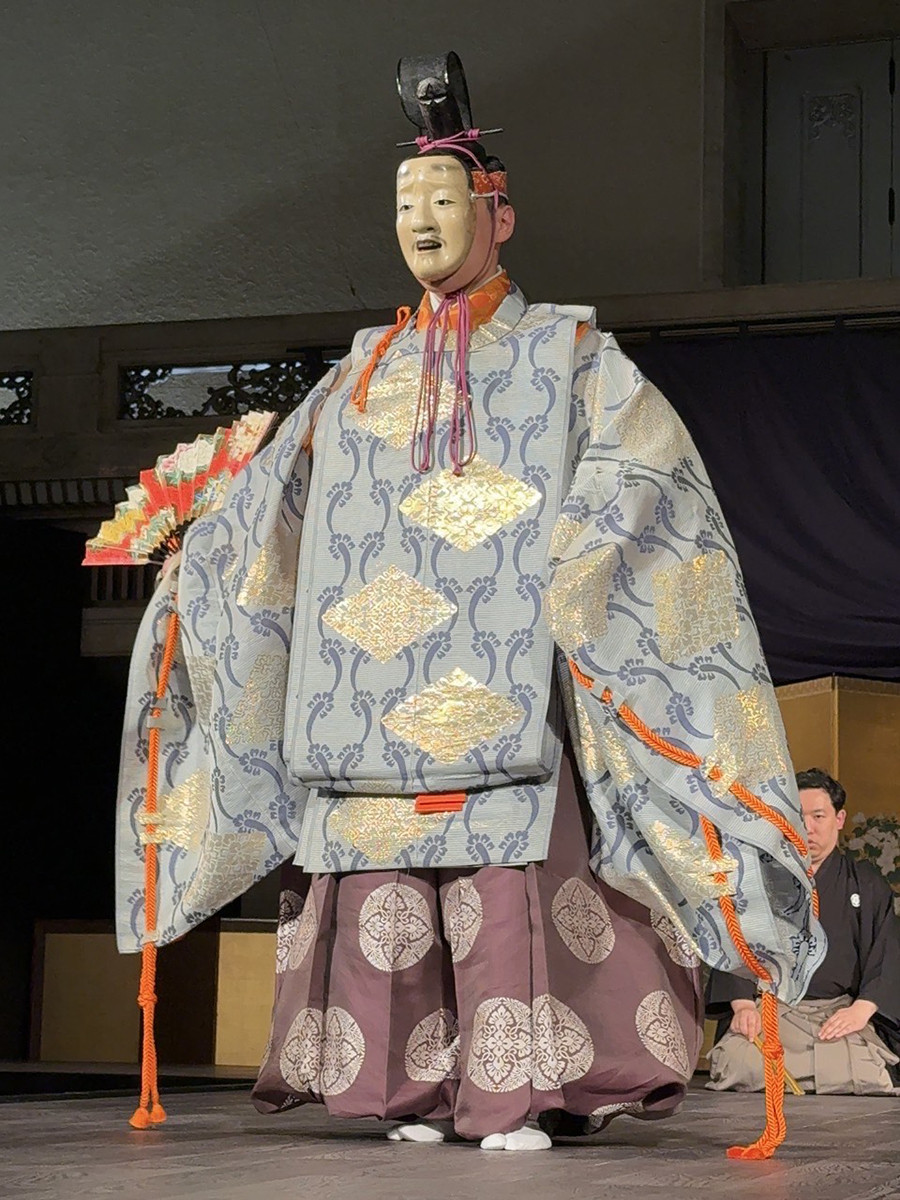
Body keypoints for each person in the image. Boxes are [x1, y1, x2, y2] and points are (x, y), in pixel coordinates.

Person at [114, 53, 822, 1154]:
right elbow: (272, 508)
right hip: (368, 701)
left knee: (509, 890)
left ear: (499, 215)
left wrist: (576, 560)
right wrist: (199, 559)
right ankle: (412, 1090)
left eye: (445, 201)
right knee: (384, 877)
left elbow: (647, 472)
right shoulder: (358, 374)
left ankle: (517, 1092)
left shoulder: (571, 355)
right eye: (407, 207)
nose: (424, 224)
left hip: (498, 689)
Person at [707, 767, 900, 1095]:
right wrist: (741, 1006)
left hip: (839, 1013)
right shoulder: (759, 881)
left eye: (819, 816)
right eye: (797, 816)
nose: (807, 827)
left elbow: (887, 954)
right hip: (772, 1009)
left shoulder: (866, 884)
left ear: (839, 819)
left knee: (867, 1068)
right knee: (741, 1062)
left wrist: (862, 1009)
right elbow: (735, 942)